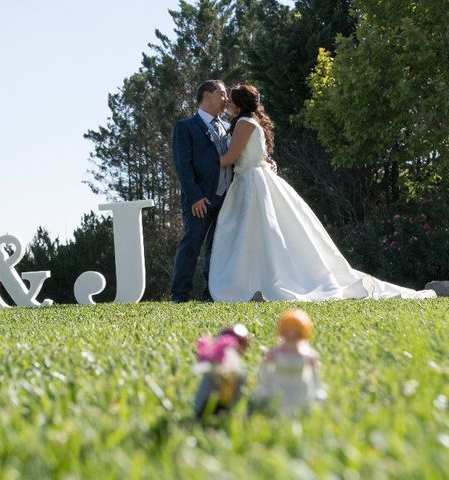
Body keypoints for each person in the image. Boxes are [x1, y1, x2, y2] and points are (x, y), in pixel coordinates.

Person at [208, 84, 436, 301]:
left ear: (238, 104)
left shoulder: (243, 123)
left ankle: (254, 281)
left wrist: (200, 164)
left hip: (251, 183)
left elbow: (229, 158)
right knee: (263, 234)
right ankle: (260, 279)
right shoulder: (252, 122)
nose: (227, 103)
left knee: (254, 234)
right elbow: (257, 154)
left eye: (230, 100)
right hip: (259, 179)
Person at [170, 80, 231, 303]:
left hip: (226, 198)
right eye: (222, 94)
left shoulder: (227, 127)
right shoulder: (185, 127)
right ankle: (180, 294)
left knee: (217, 249)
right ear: (207, 95)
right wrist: (195, 197)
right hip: (200, 199)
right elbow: (182, 165)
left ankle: (211, 293)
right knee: (192, 243)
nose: (227, 99)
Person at [249, 309, 326, 415]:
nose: (291, 334)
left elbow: (314, 373)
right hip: (279, 389)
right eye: (288, 331)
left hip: (301, 389)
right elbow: (266, 371)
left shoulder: (307, 354)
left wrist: (317, 389)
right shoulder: (275, 353)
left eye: (295, 332)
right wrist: (265, 387)